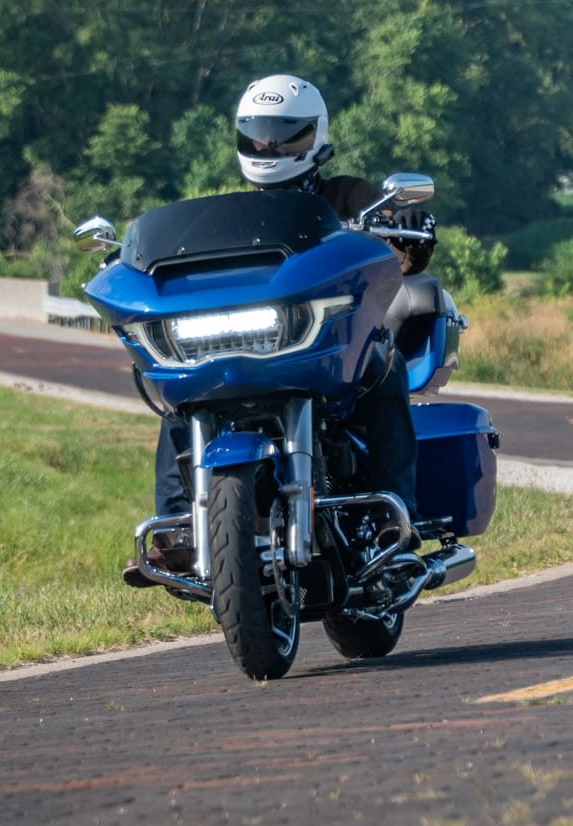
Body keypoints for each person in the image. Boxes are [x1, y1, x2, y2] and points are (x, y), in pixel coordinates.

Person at [124, 73, 430, 586]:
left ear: (316, 135)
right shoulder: (227, 214)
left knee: (387, 368)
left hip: (328, 348)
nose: (270, 146)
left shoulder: (348, 196)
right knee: (178, 392)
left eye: (285, 134)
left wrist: (409, 225)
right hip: (252, 347)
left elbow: (403, 247)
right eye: (259, 134)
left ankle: (393, 519)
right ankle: (177, 531)